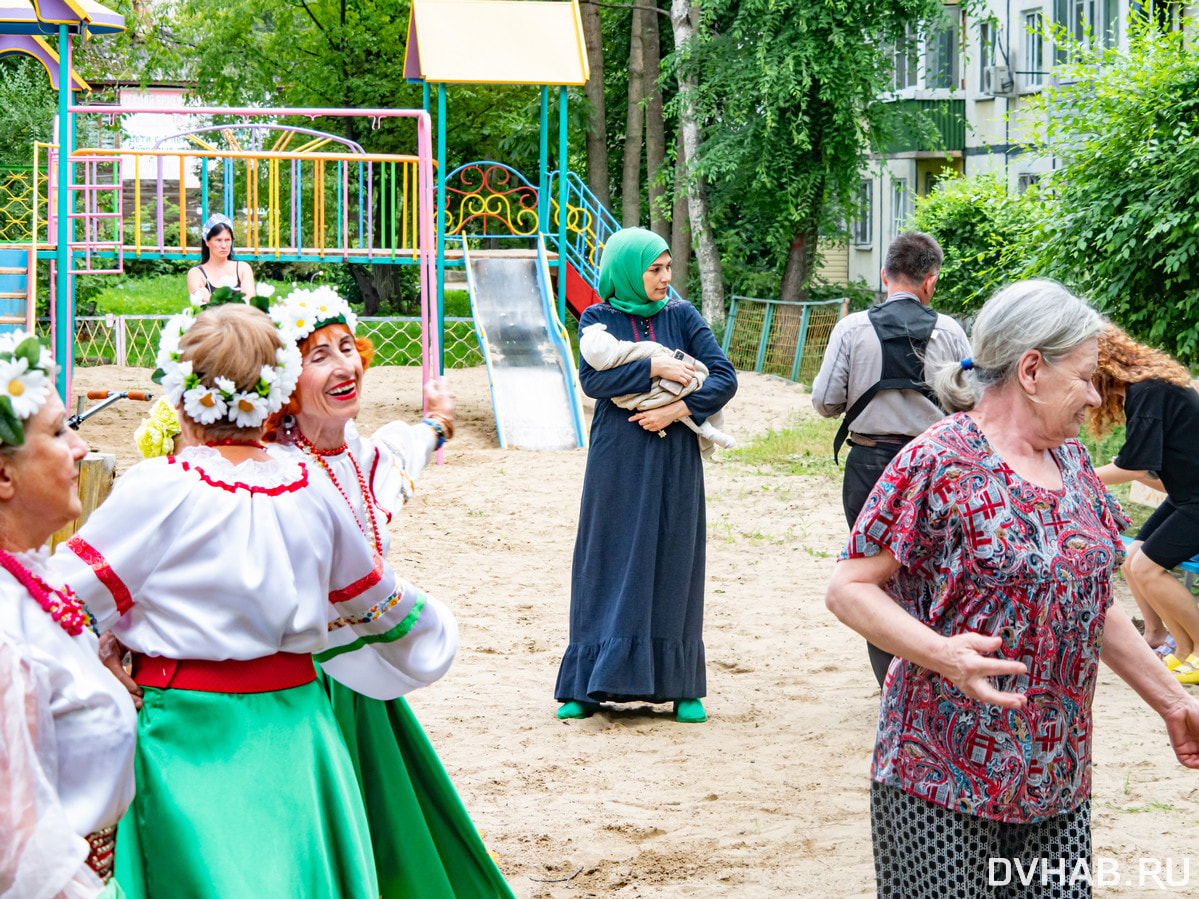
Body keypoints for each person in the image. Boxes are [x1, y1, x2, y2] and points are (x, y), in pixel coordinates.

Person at [50, 302, 458, 899]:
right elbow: (381, 603)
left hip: (187, 734)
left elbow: (57, 600)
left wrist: (102, 654)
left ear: (181, 394)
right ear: (278, 391)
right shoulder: (311, 486)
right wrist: (436, 636)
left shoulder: (158, 487)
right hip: (299, 732)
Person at [824, 280, 1199, 898]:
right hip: (939, 779)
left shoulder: (1076, 467)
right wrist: (941, 653)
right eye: (1082, 377)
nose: (1092, 395)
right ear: (1031, 370)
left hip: (1057, 779)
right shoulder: (938, 461)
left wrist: (1174, 702)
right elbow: (848, 587)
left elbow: (1091, 607)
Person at [263, 285, 515, 899]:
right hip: (299, 685)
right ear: (286, 383)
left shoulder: (363, 455)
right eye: (317, 355)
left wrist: (439, 423)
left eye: (347, 348)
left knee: (387, 824)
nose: (343, 364)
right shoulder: (269, 469)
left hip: (364, 678)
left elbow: (407, 453)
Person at [553, 227, 737, 724]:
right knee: (606, 556)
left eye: (667, 268)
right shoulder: (598, 317)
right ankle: (587, 685)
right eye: (654, 269)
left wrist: (678, 407)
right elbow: (593, 380)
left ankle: (681, 688)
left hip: (674, 453)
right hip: (618, 455)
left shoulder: (683, 316)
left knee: (674, 555)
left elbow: (724, 377)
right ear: (627, 271)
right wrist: (656, 363)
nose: (664, 278)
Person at [0, 330, 137, 899]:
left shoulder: (31, 576)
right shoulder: (8, 630)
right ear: (4, 477)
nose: (81, 447)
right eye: (58, 432)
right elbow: (18, 846)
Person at [811, 231, 970, 687]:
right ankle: (935, 674)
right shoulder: (950, 331)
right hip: (935, 468)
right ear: (931, 282)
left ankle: (892, 682)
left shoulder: (852, 328)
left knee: (871, 578)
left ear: (884, 275)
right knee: (939, 569)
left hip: (870, 466)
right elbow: (971, 404)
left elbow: (825, 402)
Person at [1088, 324, 1199, 682]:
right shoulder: (1145, 388)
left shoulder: (1148, 390)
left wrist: (1078, 475)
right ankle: (1180, 648)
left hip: (1195, 497)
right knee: (1133, 558)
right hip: (1187, 494)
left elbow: (1132, 465)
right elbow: (1149, 468)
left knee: (1149, 567)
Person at [186, 213, 256, 302]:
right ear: (207, 242)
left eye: (227, 240)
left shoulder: (243, 269)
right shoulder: (196, 273)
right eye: (218, 240)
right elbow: (201, 306)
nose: (224, 245)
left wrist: (211, 299)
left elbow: (249, 304)